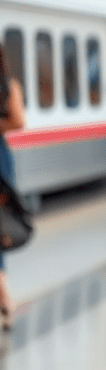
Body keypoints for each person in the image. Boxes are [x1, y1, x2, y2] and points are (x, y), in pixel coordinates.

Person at [0, 46, 26, 331]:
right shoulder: (11, 86)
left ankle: (5, 298)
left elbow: (18, 120)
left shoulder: (10, 87)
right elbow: (17, 120)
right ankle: (5, 299)